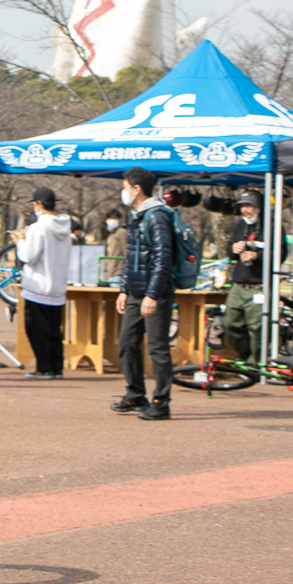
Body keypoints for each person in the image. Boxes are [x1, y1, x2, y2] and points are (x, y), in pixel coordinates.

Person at [112, 168, 175, 421]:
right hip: (136, 292)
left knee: (157, 347)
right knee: (127, 343)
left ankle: (161, 401)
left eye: (126, 185)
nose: (124, 190)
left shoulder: (157, 215)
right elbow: (131, 257)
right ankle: (136, 394)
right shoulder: (137, 215)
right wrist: (124, 289)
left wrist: (152, 294)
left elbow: (163, 258)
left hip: (154, 293)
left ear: (137, 189)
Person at [11, 187, 71, 380]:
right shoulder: (65, 227)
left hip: (38, 286)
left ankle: (44, 368)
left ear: (39, 204)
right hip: (58, 285)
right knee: (55, 330)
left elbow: (29, 256)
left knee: (37, 329)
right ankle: (56, 367)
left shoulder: (39, 227)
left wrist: (20, 242)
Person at [223, 189, 267, 365]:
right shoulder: (240, 225)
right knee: (229, 323)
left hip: (259, 286)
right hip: (238, 284)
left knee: (258, 327)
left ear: (259, 207)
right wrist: (232, 250)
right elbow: (229, 249)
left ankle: (255, 363)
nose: (245, 210)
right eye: (243, 206)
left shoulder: (271, 225)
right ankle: (245, 355)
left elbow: (279, 254)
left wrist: (256, 256)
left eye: (249, 206)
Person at [102, 209, 127, 284]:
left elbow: (126, 251)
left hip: (119, 272)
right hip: (111, 273)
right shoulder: (111, 234)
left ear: (119, 219)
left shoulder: (122, 232)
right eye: (109, 218)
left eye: (114, 218)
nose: (111, 220)